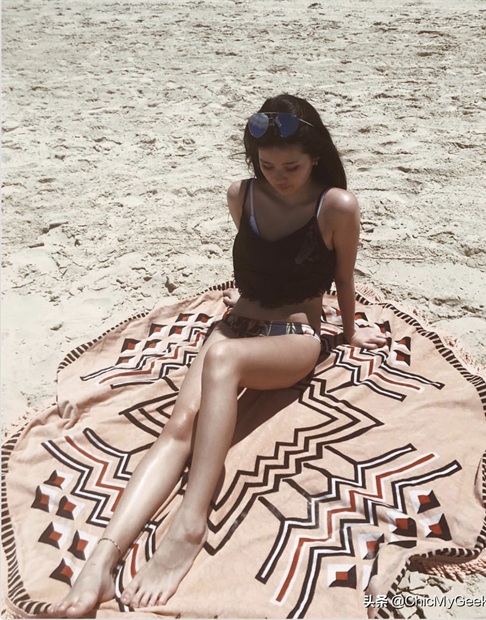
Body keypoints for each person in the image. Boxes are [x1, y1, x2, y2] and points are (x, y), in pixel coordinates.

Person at [48, 93, 387, 617]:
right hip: (236, 324)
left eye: (292, 167)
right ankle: (101, 560)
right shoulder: (241, 195)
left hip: (292, 338)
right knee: (179, 424)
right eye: (268, 166)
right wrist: (242, 302)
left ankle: (190, 523)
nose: (279, 177)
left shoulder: (336, 204)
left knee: (222, 360)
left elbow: (343, 277)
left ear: (315, 156)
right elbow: (260, 265)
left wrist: (348, 331)